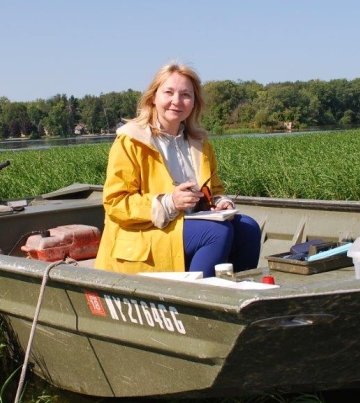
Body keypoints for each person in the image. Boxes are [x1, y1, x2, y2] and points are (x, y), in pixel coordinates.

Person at [95, 63, 261, 277]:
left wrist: (220, 202)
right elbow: (115, 203)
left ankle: (237, 295)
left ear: (194, 103)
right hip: (145, 232)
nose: (177, 101)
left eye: (185, 95)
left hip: (188, 226)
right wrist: (170, 202)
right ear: (153, 97)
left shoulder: (199, 143)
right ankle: (197, 301)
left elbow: (214, 188)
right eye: (168, 92)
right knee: (216, 232)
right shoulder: (131, 141)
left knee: (248, 227)